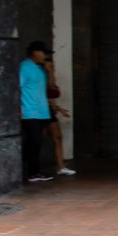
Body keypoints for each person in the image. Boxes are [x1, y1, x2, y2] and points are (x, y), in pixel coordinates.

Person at [20, 41, 54, 182]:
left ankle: (34, 171)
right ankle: (32, 172)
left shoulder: (40, 69)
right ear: (35, 52)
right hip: (29, 111)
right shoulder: (24, 67)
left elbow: (51, 88)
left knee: (37, 142)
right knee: (33, 141)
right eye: (44, 53)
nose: (45, 56)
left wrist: (50, 72)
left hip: (41, 112)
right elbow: (17, 88)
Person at [43, 58, 76, 176]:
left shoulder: (50, 77)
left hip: (50, 111)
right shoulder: (41, 77)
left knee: (57, 137)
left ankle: (61, 166)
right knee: (39, 139)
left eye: (52, 66)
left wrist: (58, 109)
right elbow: (46, 92)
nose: (51, 67)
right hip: (40, 111)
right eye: (49, 66)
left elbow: (52, 92)